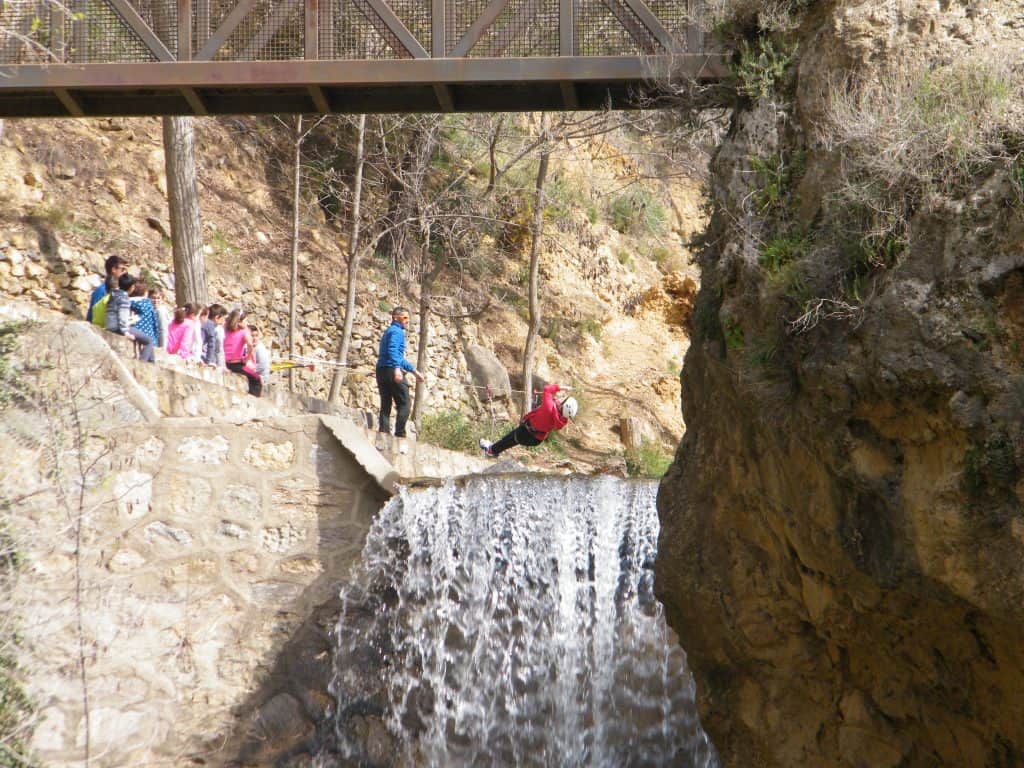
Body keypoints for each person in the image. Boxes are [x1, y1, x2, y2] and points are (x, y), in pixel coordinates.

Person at [480, 383, 577, 458]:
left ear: (562, 406)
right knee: (511, 441)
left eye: (564, 399)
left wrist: (563, 387)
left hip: (527, 432)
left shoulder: (549, 407)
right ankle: (494, 450)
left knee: (508, 439)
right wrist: (556, 401)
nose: (562, 398)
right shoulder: (562, 421)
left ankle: (491, 450)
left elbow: (547, 389)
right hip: (536, 439)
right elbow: (556, 409)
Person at [375, 306, 424, 438]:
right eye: (405, 317)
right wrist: (397, 369)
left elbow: (398, 356)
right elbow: (393, 352)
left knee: (386, 403)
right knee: (405, 403)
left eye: (408, 318)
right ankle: (399, 433)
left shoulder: (388, 332)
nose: (407, 320)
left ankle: (383, 432)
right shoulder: (397, 332)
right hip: (392, 370)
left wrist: (414, 371)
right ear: (395, 318)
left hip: (381, 370)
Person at [105, 273, 155, 363]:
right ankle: (142, 364)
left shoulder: (113, 294)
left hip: (110, 325)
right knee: (149, 341)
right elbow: (122, 316)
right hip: (118, 328)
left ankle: (152, 362)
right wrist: (126, 332)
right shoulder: (124, 298)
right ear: (131, 287)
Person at [223, 308, 261, 397]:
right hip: (236, 365)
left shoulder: (226, 330)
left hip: (225, 363)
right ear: (239, 321)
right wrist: (247, 359)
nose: (247, 324)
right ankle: (253, 399)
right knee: (256, 378)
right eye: (246, 321)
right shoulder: (244, 332)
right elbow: (250, 345)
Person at [87, 254, 129, 326]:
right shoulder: (101, 291)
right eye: (122, 269)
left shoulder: (119, 291)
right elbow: (96, 315)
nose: (124, 272)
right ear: (113, 269)